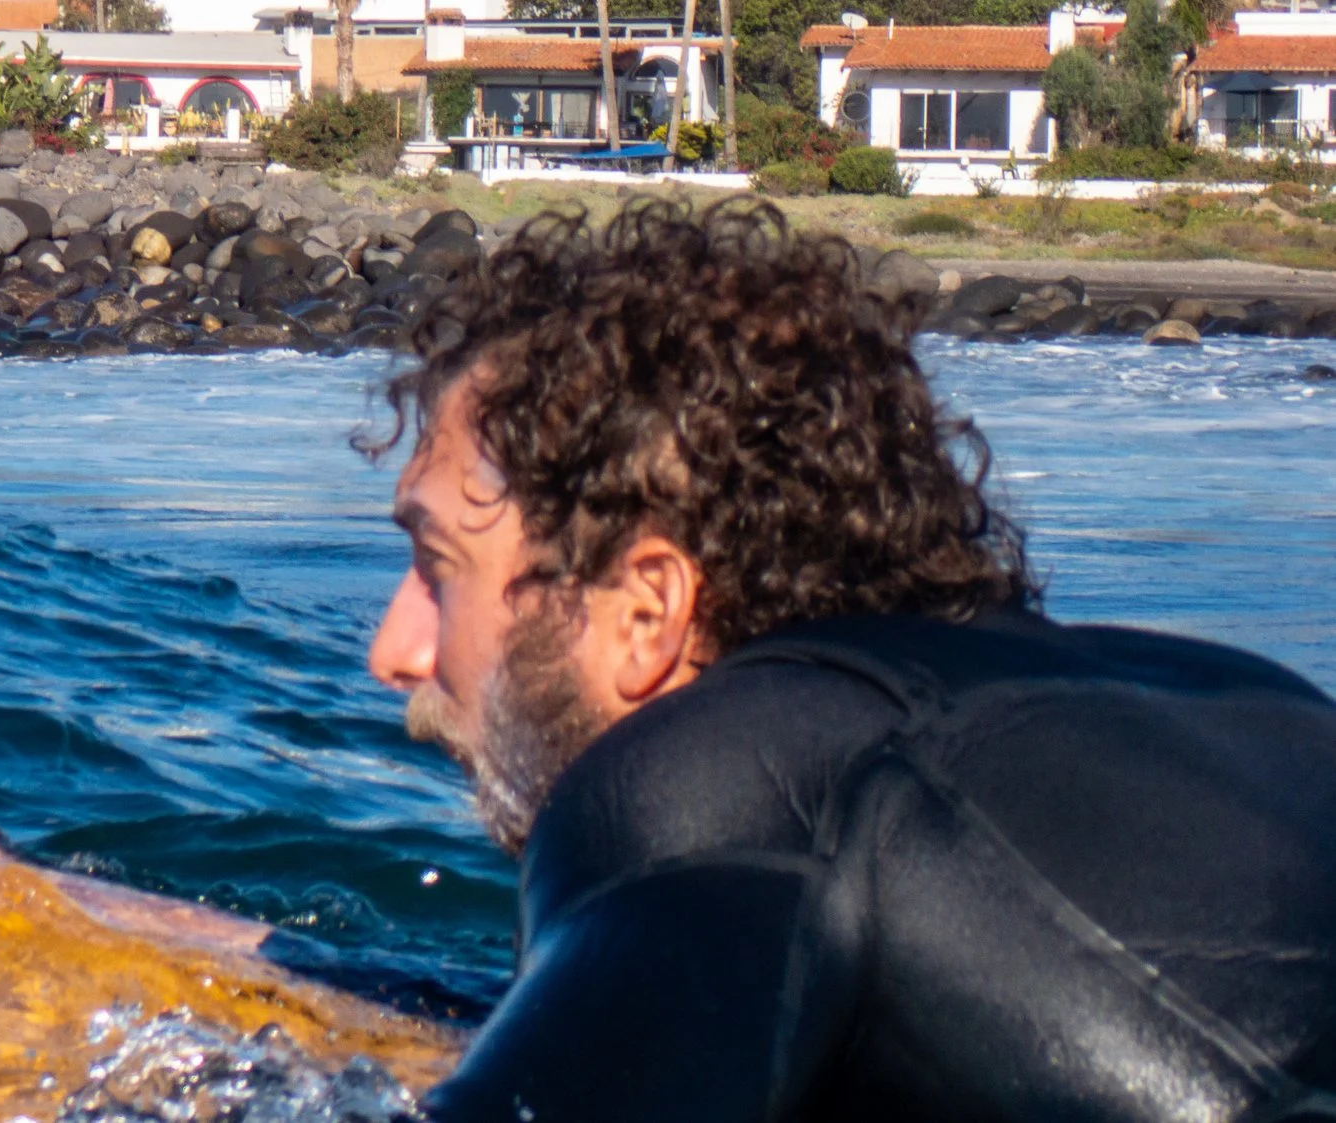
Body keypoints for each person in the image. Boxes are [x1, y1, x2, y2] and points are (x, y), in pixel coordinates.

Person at [369, 200, 1336, 1123]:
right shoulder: (1251, 707)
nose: (393, 650)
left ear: (646, 610)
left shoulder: (714, 777)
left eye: (435, 566)